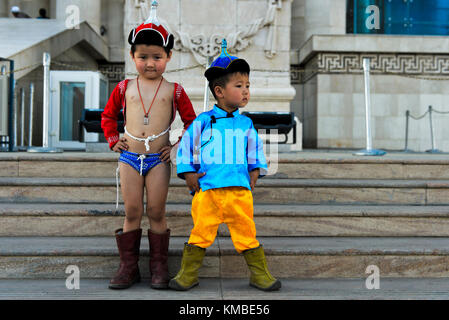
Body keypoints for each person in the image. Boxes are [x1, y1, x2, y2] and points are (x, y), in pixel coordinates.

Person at [169, 39, 281, 292]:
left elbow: (255, 149)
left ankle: (259, 274)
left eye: (248, 86)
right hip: (208, 189)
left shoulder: (246, 124)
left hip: (239, 191)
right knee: (200, 232)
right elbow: (186, 145)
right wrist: (187, 172)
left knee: (246, 233)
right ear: (219, 92)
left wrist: (254, 171)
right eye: (239, 86)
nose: (245, 91)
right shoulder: (203, 121)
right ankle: (188, 274)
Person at [101, 1, 196, 290]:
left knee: (156, 211)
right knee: (132, 212)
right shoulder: (123, 88)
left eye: (157, 56)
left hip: (158, 159)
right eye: (143, 57)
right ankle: (128, 267)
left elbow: (192, 122)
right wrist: (113, 139)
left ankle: (158, 266)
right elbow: (107, 116)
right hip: (130, 157)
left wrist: (177, 145)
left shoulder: (174, 89)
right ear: (132, 56)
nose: (150, 63)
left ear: (168, 56)